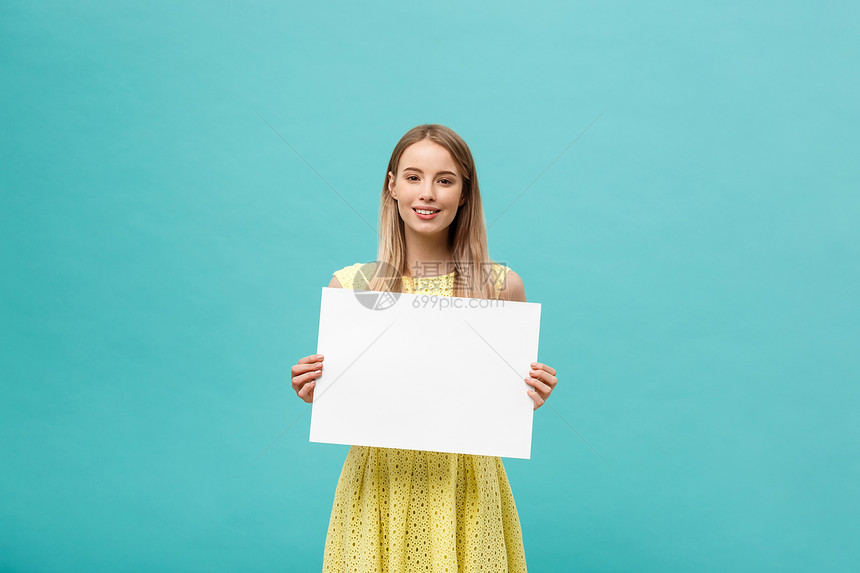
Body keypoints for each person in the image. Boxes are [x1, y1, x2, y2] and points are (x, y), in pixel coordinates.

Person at [291, 124, 559, 572]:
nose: (428, 193)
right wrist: (318, 385)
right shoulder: (352, 286)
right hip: (379, 486)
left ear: (465, 194)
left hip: (467, 489)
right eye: (413, 177)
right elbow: (350, 394)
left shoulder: (500, 287)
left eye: (445, 179)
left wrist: (530, 392)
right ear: (391, 186)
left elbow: (497, 403)